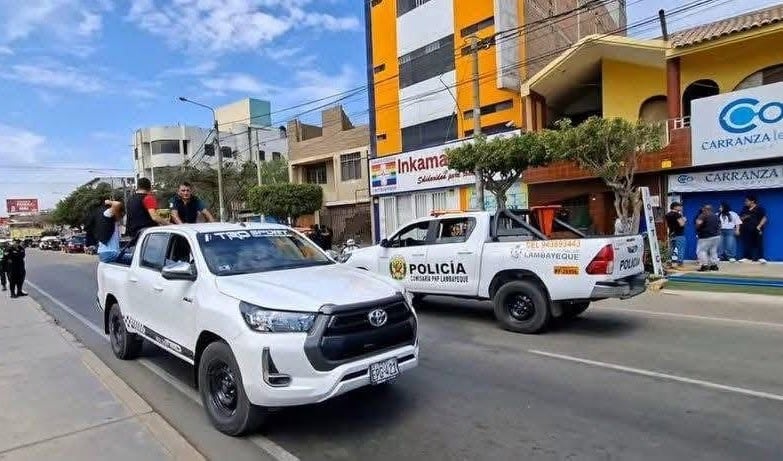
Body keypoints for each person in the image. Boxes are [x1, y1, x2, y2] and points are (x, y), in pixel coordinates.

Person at [739, 195, 767, 264]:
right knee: (747, 244)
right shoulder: (744, 208)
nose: (745, 202)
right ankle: (747, 258)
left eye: (746, 201)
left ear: (752, 201)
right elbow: (740, 218)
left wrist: (759, 226)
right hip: (746, 230)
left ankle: (761, 258)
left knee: (758, 243)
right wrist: (745, 217)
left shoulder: (759, 208)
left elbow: (764, 218)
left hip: (757, 229)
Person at [695, 204, 720, 272]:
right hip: (716, 236)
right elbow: (719, 225)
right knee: (713, 251)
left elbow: (698, 224)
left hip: (705, 236)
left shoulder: (702, 215)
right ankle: (714, 266)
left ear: (704, 209)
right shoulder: (716, 216)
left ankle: (705, 266)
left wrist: (697, 229)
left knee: (701, 251)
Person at [664, 202, 687, 268]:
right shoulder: (678, 215)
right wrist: (684, 220)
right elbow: (681, 224)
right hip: (679, 234)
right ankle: (680, 262)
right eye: (680, 206)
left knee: (671, 248)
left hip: (671, 233)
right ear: (675, 207)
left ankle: (669, 261)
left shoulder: (667, 215)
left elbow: (667, 225)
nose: (681, 207)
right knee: (681, 248)